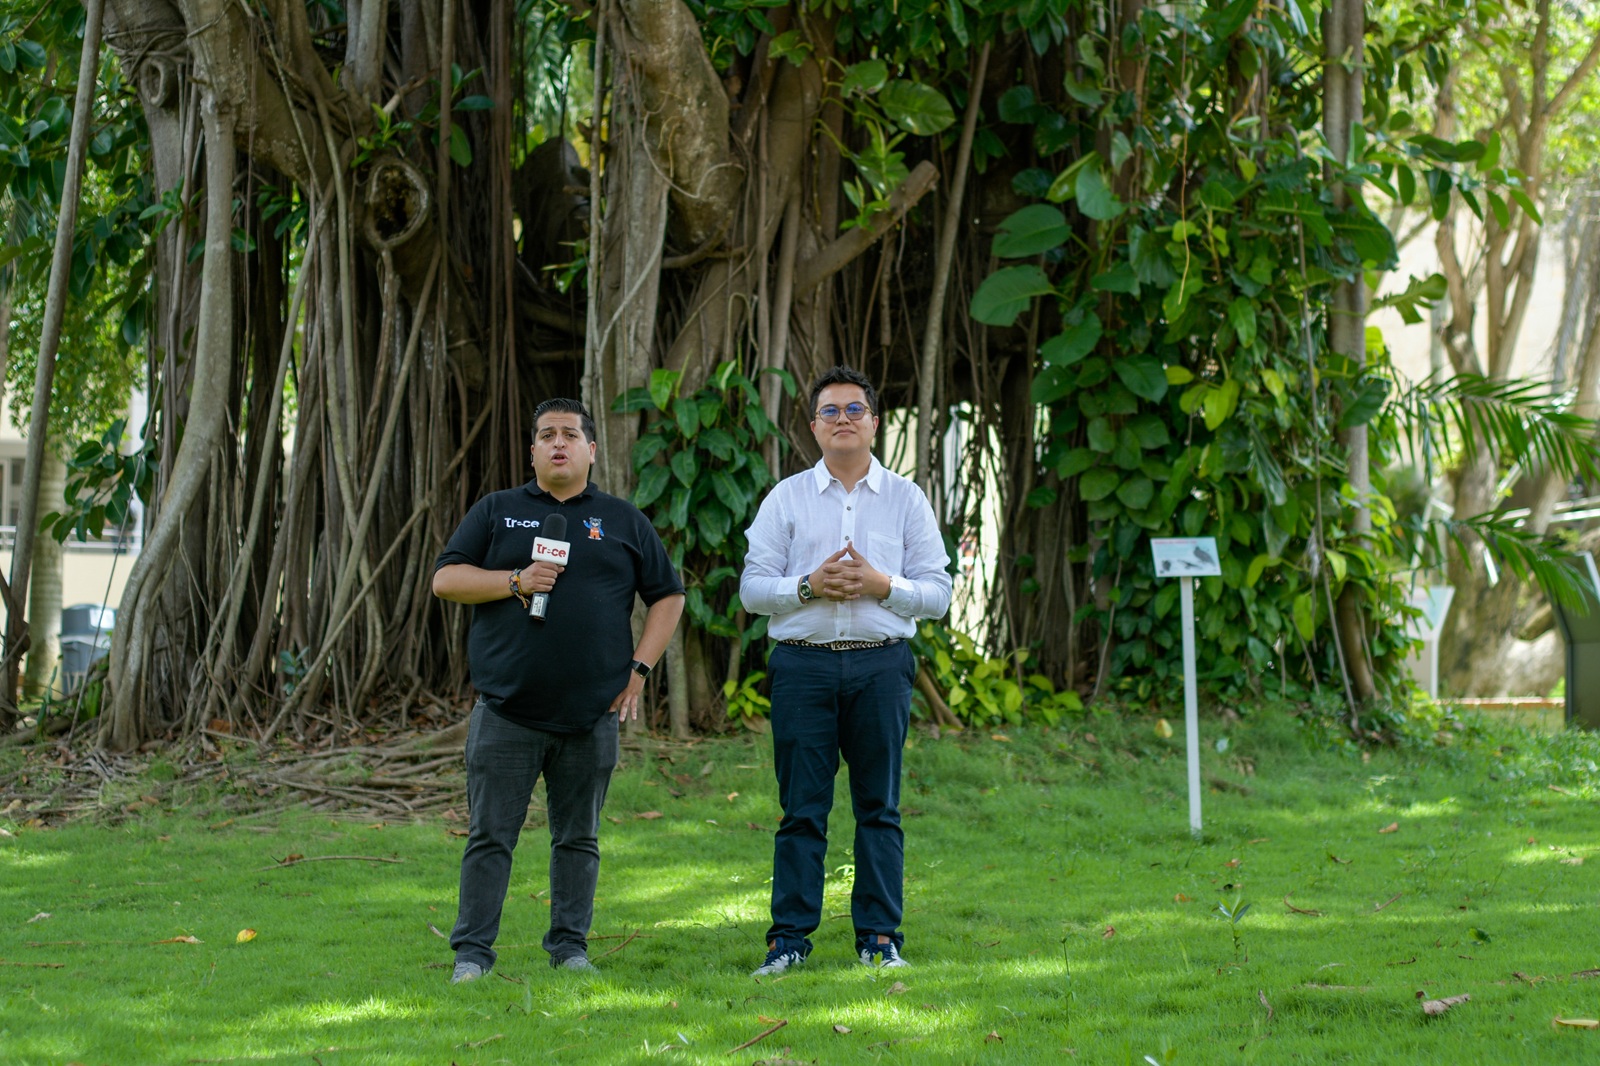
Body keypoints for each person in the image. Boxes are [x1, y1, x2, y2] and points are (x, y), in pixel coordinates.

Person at [433, 397, 684, 982]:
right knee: (490, 837)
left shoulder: (623, 520)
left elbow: (668, 596)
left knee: (578, 839)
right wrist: (515, 581)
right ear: (533, 452)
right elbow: (446, 578)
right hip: (507, 712)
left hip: (591, 716)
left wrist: (639, 670)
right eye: (547, 435)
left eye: (570, 434)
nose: (558, 443)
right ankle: (472, 954)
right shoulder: (498, 511)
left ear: (592, 450)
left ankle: (570, 949)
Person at [739, 366, 952, 975]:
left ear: (874, 423)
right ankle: (788, 942)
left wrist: (884, 586)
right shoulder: (786, 497)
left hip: (880, 666)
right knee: (800, 811)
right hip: (802, 667)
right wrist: (808, 586)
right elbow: (753, 590)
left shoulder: (907, 499)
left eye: (854, 409)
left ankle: (880, 939)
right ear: (813, 427)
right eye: (829, 411)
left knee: (878, 807)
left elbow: (938, 594)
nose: (843, 420)